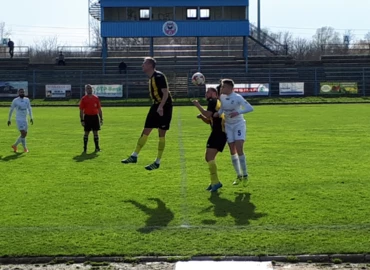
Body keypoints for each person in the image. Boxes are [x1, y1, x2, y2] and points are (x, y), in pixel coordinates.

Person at [121, 57, 173, 170]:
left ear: (150, 65)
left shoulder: (159, 76)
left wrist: (161, 107)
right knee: (146, 130)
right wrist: (157, 106)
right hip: (156, 105)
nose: (142, 65)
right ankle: (134, 155)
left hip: (165, 106)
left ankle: (157, 162)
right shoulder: (151, 78)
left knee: (161, 134)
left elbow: (165, 93)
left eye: (144, 63)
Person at [215, 79, 254, 185]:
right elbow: (222, 109)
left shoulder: (237, 97)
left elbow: (250, 108)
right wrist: (218, 113)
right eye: (222, 86)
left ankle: (245, 174)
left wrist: (238, 112)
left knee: (239, 147)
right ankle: (238, 175)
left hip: (239, 125)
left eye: (224, 87)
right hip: (228, 125)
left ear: (230, 88)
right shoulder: (222, 97)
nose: (222, 88)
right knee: (232, 149)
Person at [192, 86, 227, 192]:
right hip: (219, 133)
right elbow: (209, 119)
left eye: (208, 92)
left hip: (218, 134)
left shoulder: (213, 101)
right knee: (209, 158)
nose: (206, 94)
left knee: (209, 157)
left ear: (214, 93)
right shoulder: (216, 102)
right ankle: (214, 182)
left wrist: (198, 105)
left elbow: (208, 114)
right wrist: (203, 118)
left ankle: (216, 182)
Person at [7, 88, 33, 153]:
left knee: (24, 134)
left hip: (25, 119)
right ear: (18, 93)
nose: (22, 93)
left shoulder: (27, 100)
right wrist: (9, 119)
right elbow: (11, 110)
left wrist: (31, 117)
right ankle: (25, 148)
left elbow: (29, 108)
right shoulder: (15, 101)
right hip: (19, 119)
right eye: (21, 92)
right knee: (23, 133)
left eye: (23, 92)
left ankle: (15, 145)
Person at [79, 84, 103, 153]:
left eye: (90, 88)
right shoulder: (84, 99)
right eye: (88, 88)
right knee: (86, 133)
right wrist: (82, 120)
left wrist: (101, 118)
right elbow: (81, 110)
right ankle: (85, 148)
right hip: (87, 117)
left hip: (95, 117)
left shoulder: (96, 98)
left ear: (92, 89)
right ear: (86, 90)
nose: (89, 89)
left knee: (96, 132)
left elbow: (99, 109)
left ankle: (97, 148)